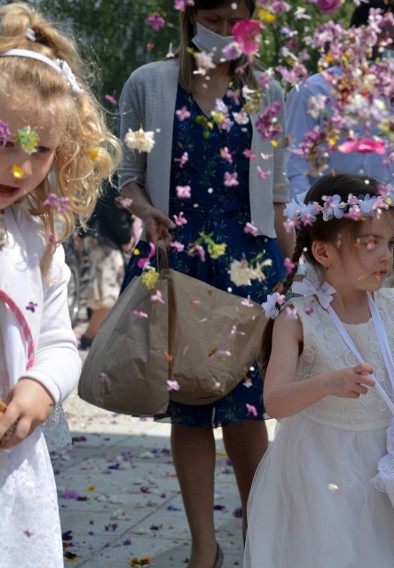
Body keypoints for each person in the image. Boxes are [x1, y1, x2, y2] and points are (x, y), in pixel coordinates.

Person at [117, 2, 290, 566]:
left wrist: (297, 276)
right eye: (214, 13)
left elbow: (280, 189)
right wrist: (148, 214)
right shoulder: (149, 82)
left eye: (236, 14)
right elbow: (128, 181)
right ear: (190, 15)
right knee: (188, 407)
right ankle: (203, 549)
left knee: (246, 408)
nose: (225, 25)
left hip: (250, 264)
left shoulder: (267, 89)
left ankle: (258, 543)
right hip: (177, 259)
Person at [245, 174, 394, 567]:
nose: (387, 257)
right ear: (323, 252)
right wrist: (325, 383)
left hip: (387, 460)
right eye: (371, 244)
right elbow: (275, 400)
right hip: (320, 466)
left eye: (390, 243)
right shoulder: (298, 315)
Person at [0, 3, 119, 565]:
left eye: (40, 149)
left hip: (11, 467)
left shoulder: (37, 241)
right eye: (5, 141)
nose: (20, 167)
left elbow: (56, 340)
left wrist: (42, 386)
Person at [285, 0, 394, 198]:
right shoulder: (312, 92)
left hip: (383, 223)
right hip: (324, 221)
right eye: (390, 43)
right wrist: (309, 220)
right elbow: (293, 170)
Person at [78, 183, 134, 350]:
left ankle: (92, 338)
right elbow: (114, 210)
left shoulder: (108, 178)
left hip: (100, 238)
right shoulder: (114, 180)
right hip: (106, 241)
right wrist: (126, 237)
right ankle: (89, 337)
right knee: (108, 296)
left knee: (105, 295)